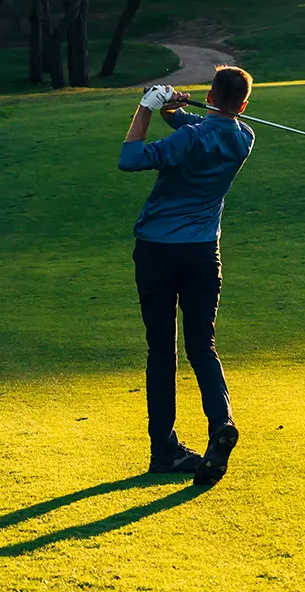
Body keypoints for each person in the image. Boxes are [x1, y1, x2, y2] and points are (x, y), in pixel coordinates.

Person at [117, 67, 255, 486]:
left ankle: (164, 451)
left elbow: (130, 158)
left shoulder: (188, 140)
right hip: (202, 253)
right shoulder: (244, 138)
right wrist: (172, 110)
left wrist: (146, 107)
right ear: (243, 105)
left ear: (210, 94)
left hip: (158, 252)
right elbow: (200, 126)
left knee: (162, 351)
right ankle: (220, 424)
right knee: (202, 346)